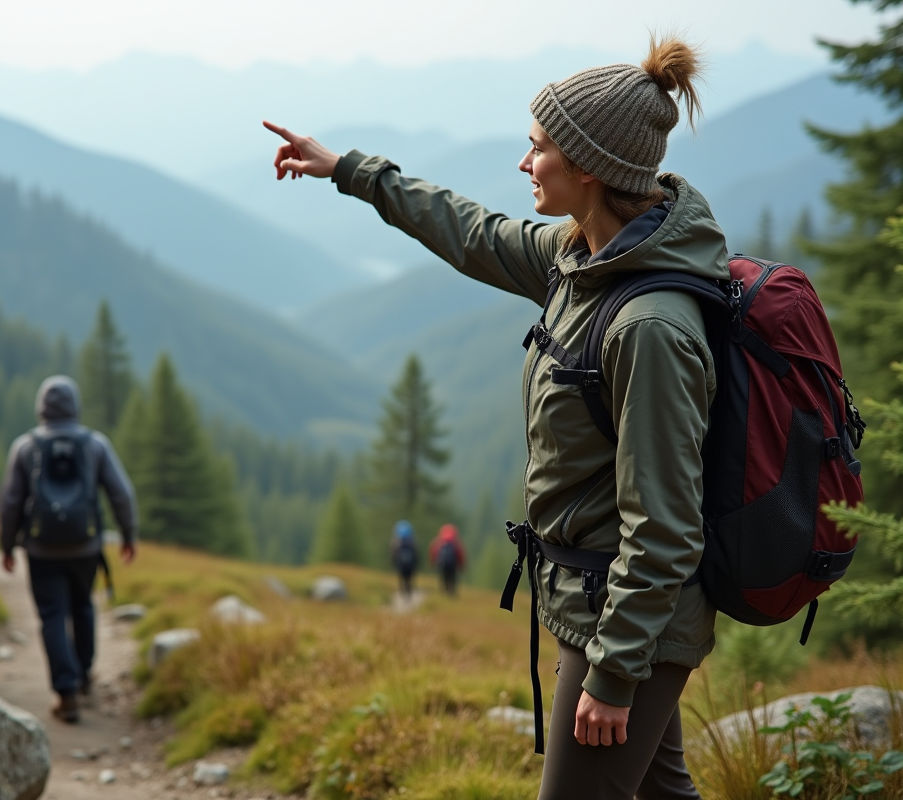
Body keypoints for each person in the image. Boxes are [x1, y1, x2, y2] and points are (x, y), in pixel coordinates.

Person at [266, 36, 718, 800]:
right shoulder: (582, 262)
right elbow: (470, 231)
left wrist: (613, 673)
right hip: (609, 607)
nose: (523, 162)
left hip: (624, 620)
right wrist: (347, 169)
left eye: (538, 148)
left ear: (588, 167)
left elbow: (667, 525)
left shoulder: (648, 326)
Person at [0, 375, 138, 724]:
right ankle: (84, 673)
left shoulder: (25, 446)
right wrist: (128, 534)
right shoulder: (95, 444)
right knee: (83, 605)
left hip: (41, 547)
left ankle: (66, 692)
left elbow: (11, 501)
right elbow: (121, 493)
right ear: (75, 406)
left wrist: (7, 546)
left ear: (41, 408)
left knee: (52, 616)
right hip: (85, 544)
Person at [428, 523, 466, 598]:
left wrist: (433, 562)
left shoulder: (439, 542)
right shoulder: (455, 542)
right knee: (453, 577)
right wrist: (461, 565)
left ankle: (444, 591)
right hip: (453, 564)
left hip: (442, 563)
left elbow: (433, 552)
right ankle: (452, 592)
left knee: (443, 577)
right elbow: (460, 554)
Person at [389, 520, 418, 599]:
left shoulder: (396, 543)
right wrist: (415, 565)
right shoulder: (412, 542)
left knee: (401, 577)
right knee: (409, 578)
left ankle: (402, 592)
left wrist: (394, 563)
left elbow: (393, 555)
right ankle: (408, 592)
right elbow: (416, 555)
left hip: (400, 564)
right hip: (410, 565)